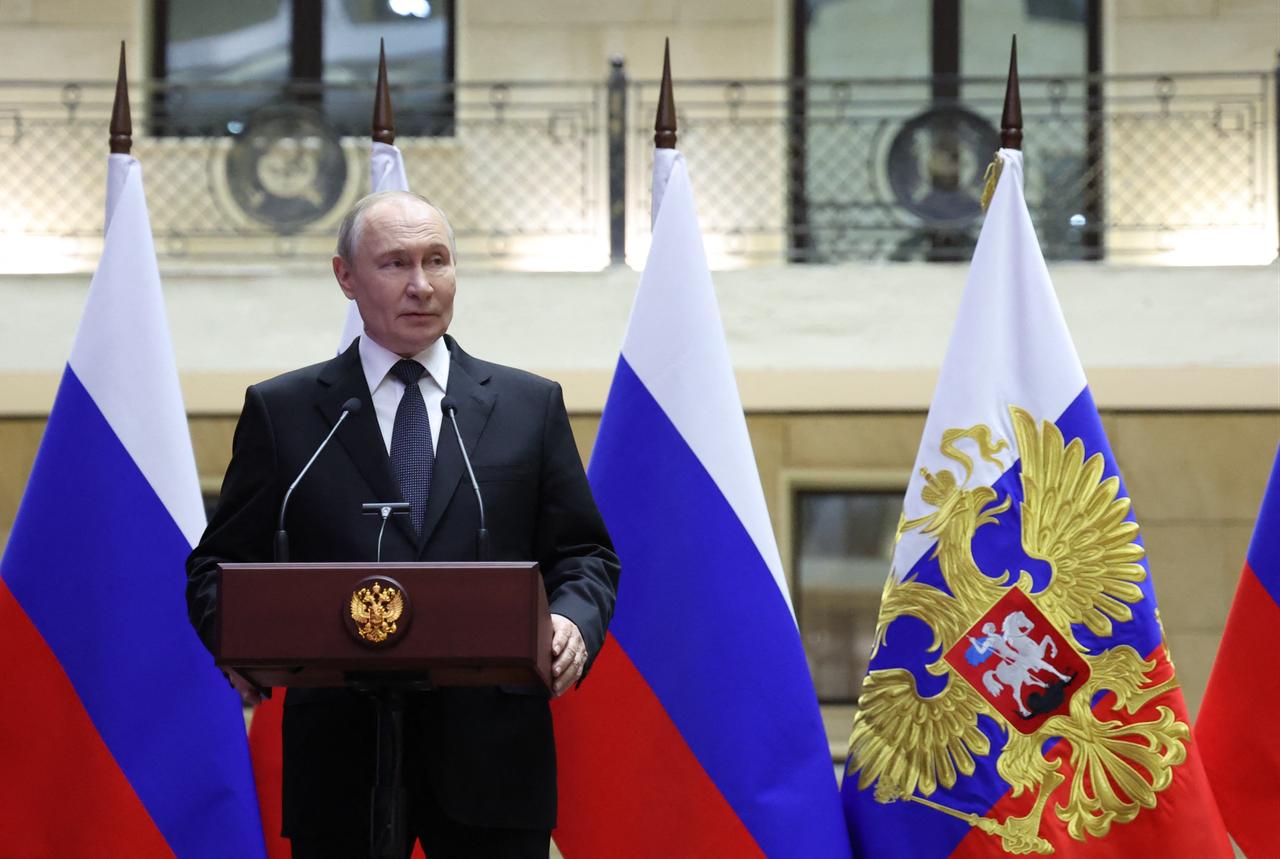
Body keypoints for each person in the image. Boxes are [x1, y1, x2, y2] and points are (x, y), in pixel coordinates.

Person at [186, 191, 620, 858]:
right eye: (394, 264)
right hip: (341, 760)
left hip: (493, 764)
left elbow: (585, 554)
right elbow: (216, 567)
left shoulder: (528, 407)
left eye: (437, 261)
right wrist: (236, 637)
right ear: (346, 278)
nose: (422, 285)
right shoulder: (287, 413)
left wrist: (572, 621)